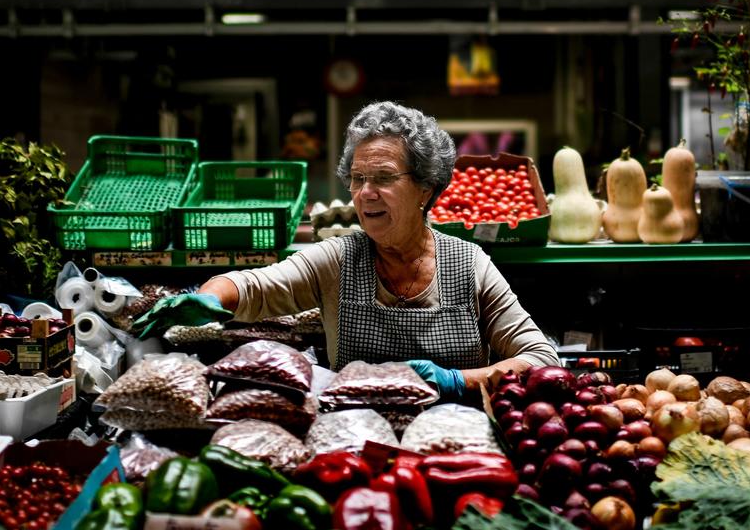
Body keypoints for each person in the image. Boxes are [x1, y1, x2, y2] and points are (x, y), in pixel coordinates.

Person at [135, 101, 559, 399]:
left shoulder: (469, 266)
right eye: (357, 179)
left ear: (426, 189)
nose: (365, 193)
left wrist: (457, 380)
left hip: (456, 441)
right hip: (356, 437)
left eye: (383, 178)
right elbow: (255, 285)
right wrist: (208, 298)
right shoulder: (339, 259)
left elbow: (540, 359)